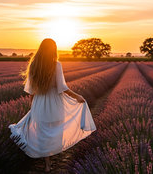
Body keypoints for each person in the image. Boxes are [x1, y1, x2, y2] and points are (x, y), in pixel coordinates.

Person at [9, 38, 96, 172]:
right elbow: (63, 88)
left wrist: (33, 106)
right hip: (55, 103)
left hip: (39, 103)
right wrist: (77, 96)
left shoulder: (34, 65)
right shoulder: (56, 65)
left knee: (42, 132)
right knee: (56, 129)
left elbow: (31, 91)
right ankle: (54, 153)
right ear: (53, 49)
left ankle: (47, 164)